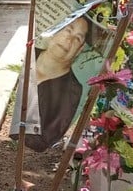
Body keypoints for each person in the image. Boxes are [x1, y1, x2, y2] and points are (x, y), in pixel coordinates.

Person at [11, 16, 96, 151]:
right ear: (54, 31)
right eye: (68, 30)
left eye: (78, 38)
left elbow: (42, 141)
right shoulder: (32, 55)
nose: (69, 39)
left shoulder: (72, 91)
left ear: (79, 50)